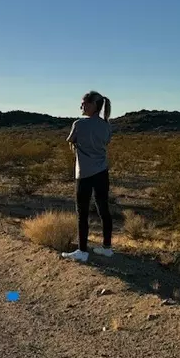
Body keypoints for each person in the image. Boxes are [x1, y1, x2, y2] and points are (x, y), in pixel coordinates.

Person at [61, 91, 114, 262]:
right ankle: (107, 247)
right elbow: (105, 142)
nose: (81, 107)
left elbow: (71, 140)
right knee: (103, 209)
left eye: (84, 104)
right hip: (102, 172)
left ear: (92, 105)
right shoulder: (106, 126)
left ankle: (82, 251)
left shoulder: (79, 124)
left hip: (83, 174)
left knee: (82, 212)